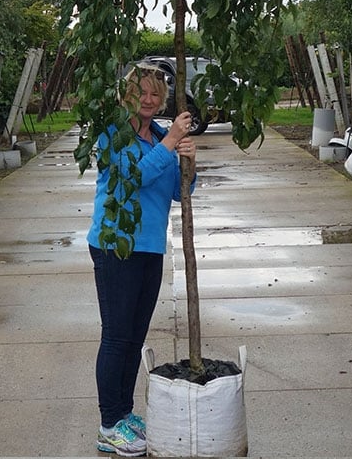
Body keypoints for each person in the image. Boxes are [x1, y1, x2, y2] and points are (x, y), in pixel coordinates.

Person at [88, 62, 198, 457]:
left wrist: (188, 157)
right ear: (127, 96)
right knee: (117, 336)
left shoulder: (158, 136)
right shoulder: (112, 134)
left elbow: (175, 190)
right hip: (114, 245)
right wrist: (171, 144)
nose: (148, 100)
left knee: (134, 338)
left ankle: (124, 413)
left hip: (150, 246)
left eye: (156, 94)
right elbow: (131, 178)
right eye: (141, 92)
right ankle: (107, 425)